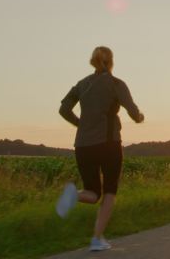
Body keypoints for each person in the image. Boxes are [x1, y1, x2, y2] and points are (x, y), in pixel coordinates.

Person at [56, 46, 144, 251]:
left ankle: (73, 195)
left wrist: (81, 124)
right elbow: (133, 111)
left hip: (82, 146)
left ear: (93, 61)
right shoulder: (116, 84)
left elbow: (63, 109)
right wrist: (140, 117)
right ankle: (97, 239)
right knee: (110, 190)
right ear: (111, 62)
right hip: (108, 144)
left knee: (92, 192)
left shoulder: (81, 84)